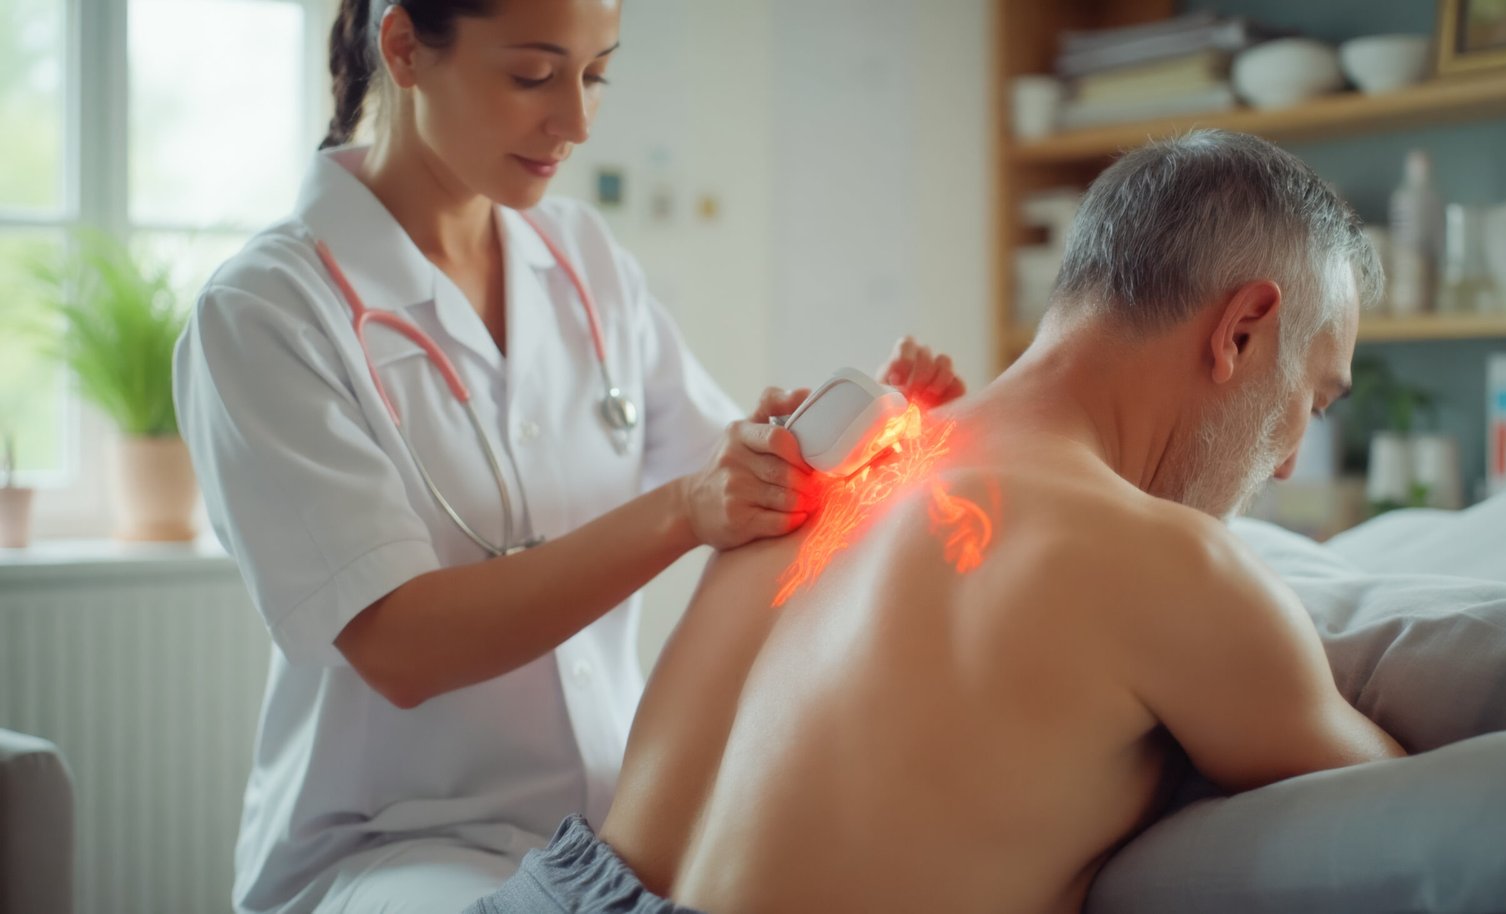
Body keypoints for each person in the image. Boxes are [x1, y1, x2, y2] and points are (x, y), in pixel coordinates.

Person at [467, 130, 1409, 914]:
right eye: (1314, 400)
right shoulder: (1169, 565)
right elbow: (1404, 812)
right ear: (1242, 330)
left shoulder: (816, 463)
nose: (1287, 461)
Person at [171, 1, 966, 912]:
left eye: (595, 75)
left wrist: (837, 442)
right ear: (404, 47)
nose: (577, 123)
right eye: (532, 76)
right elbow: (402, 646)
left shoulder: (583, 258)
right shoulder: (267, 310)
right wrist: (683, 509)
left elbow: (719, 467)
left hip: (615, 818)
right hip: (400, 844)